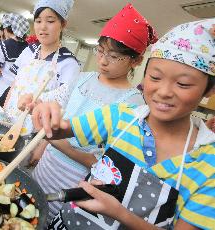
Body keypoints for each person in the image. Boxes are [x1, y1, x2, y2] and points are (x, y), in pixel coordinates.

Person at [31, 18, 215, 229]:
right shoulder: (120, 117)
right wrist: (44, 112)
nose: (163, 92)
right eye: (155, 78)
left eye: (183, 84)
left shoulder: (208, 163)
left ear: (210, 90)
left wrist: (120, 214)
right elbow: (58, 131)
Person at [29, 3, 158, 221]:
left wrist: (54, 140)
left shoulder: (133, 104)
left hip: (74, 182)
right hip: (45, 167)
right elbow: (61, 114)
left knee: (48, 221)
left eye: (114, 56)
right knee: (26, 210)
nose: (103, 60)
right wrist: (41, 147)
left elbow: (101, 164)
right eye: (100, 51)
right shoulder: (83, 78)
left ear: (136, 60)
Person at [3, 0, 80, 136]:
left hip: (34, 134)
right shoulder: (28, 51)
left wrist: (41, 147)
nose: (42, 27)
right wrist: (2, 115)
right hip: (7, 123)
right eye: (38, 21)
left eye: (50, 21)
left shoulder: (69, 63)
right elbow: (15, 85)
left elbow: (62, 111)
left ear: (63, 24)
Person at [0, 13, 30, 106]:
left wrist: (5, 73)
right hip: (19, 95)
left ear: (6, 29)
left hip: (2, 90)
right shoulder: (29, 48)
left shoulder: (3, 45)